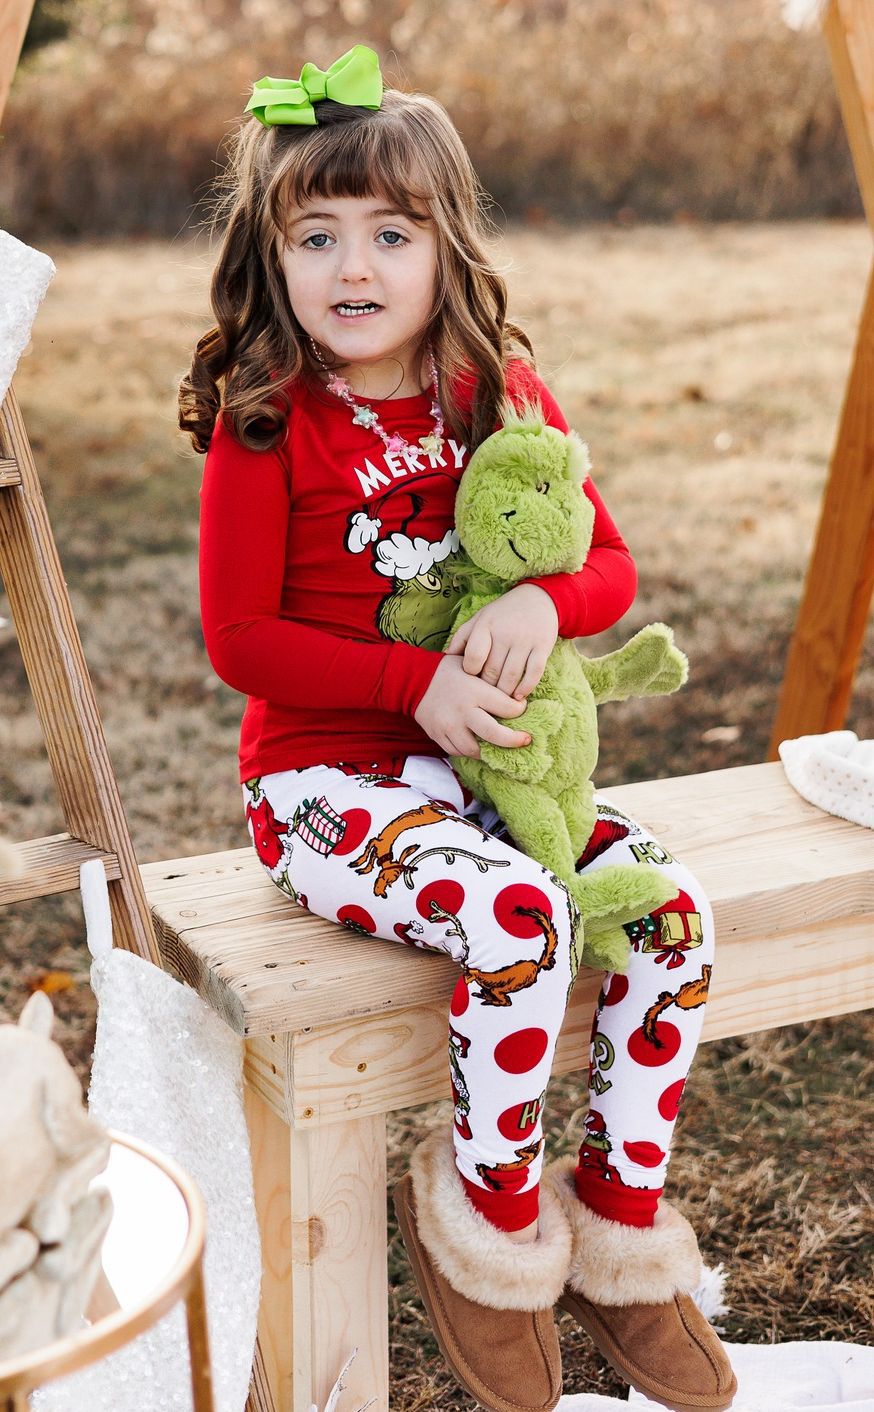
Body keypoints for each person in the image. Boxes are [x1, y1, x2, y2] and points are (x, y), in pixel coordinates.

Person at [181, 43, 737, 1412]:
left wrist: (546, 605)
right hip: (326, 787)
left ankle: (619, 1231)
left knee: (668, 914)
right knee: (518, 922)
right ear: (273, 252)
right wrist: (406, 686)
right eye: (316, 235)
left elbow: (605, 567)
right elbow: (238, 641)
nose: (352, 266)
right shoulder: (268, 424)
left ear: (446, 246)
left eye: (389, 231)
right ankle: (486, 1226)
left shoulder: (495, 392)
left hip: (492, 776)